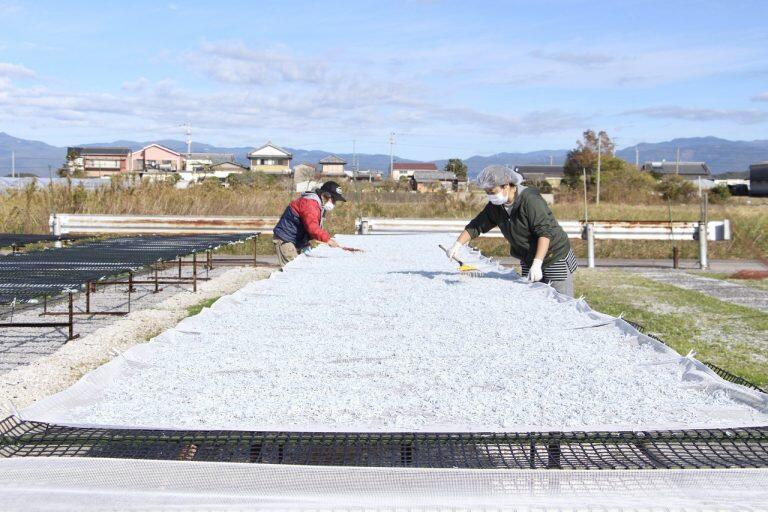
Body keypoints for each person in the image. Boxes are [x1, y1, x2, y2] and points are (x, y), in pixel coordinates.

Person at [446, 165, 577, 296]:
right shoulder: (496, 206)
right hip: (528, 258)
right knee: (534, 297)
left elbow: (544, 233)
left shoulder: (530, 200)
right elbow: (477, 225)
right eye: (487, 192)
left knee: (559, 299)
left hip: (553, 256)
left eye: (492, 191)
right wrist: (457, 244)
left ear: (506, 185)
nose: (490, 196)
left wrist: (537, 263)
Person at [272, 181, 346, 267]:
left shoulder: (317, 204)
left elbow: (307, 226)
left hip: (296, 240)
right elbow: (312, 227)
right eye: (333, 200)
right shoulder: (310, 204)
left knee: (303, 267)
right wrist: (328, 240)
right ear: (326, 195)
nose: (334, 204)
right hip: (285, 239)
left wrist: (306, 244)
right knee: (294, 269)